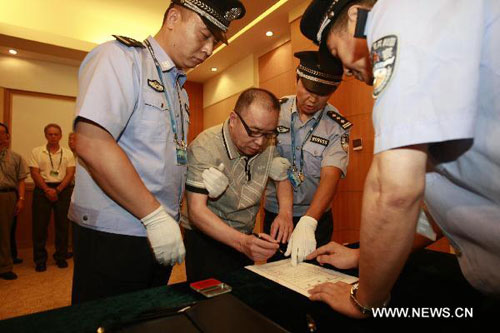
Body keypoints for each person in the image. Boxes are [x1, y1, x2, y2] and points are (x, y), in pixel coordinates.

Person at [300, 0, 500, 317]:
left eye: (338, 54)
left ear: (356, 17)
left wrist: (365, 300)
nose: (348, 73)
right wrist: (363, 255)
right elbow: (443, 208)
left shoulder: (396, 15)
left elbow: (394, 193)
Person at [69, 0, 245, 304]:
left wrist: (201, 178)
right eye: (204, 35)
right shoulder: (122, 59)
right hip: (116, 233)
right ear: (173, 18)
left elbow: (164, 158)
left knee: (147, 319)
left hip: (157, 232)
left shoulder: (178, 89)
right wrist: (153, 216)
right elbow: (92, 143)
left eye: (215, 42)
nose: (208, 50)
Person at [183, 88, 293, 281]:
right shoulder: (205, 147)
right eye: (254, 131)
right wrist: (243, 243)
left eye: (268, 134)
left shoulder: (268, 143)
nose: (260, 142)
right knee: (209, 304)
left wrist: (285, 213)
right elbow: (196, 211)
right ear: (234, 119)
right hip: (207, 237)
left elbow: (281, 176)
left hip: (244, 235)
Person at [263, 50, 350, 265]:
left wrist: (309, 221)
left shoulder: (336, 125)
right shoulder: (276, 111)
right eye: (307, 89)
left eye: (322, 94)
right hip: (276, 214)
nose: (312, 99)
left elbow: (331, 174)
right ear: (297, 79)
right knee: (275, 276)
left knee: (311, 279)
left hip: (316, 216)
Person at [29, 123, 75, 272]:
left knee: (62, 226)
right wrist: (47, 190)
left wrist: (59, 189)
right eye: (50, 134)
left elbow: (70, 173)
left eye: (56, 134)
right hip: (42, 190)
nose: (53, 137)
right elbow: (34, 172)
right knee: (40, 227)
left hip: (63, 190)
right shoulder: (37, 151)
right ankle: (40, 260)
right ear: (46, 135)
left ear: (60, 136)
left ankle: (60, 257)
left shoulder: (68, 153)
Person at [0, 122, 29, 280]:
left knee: (5, 233)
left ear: (7, 136)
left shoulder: (16, 157)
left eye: (1, 133)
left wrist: (21, 199)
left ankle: (5, 267)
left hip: (7, 196)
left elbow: (21, 180)